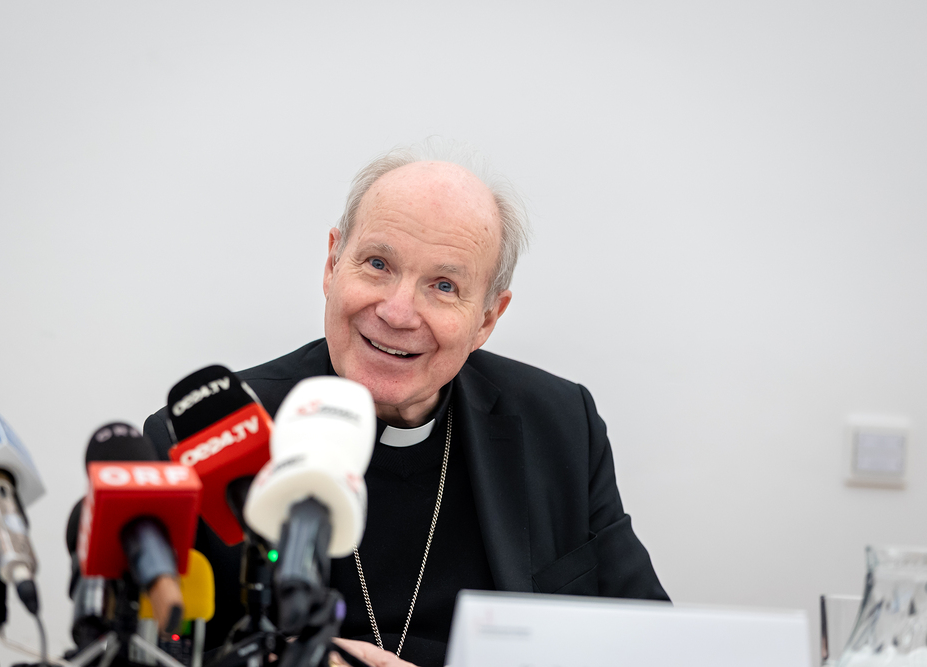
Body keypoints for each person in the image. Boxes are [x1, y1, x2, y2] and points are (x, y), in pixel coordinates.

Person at [144, 142, 668, 667]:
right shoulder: (206, 436)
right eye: (378, 264)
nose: (397, 313)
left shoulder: (561, 424)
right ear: (332, 264)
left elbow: (653, 646)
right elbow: (153, 650)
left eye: (444, 286)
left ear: (487, 319)